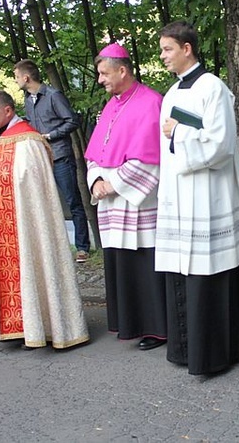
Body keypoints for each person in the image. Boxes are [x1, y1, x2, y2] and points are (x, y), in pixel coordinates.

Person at [156, 20, 239, 375]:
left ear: (187, 48)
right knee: (185, 272)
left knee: (212, 270)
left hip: (207, 193)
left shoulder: (212, 88)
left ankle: (218, 351)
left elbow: (220, 145)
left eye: (168, 49)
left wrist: (178, 135)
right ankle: (187, 349)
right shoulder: (172, 93)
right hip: (180, 194)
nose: (163, 56)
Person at [0, 90, 89, 350]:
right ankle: (0, 329)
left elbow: (30, 179)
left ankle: (31, 327)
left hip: (20, 226)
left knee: (24, 270)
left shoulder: (28, 141)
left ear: (8, 111)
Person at [84, 43, 167, 350]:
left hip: (136, 201)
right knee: (122, 263)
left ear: (122, 70)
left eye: (104, 73)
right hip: (112, 201)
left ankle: (156, 328)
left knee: (144, 263)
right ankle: (130, 324)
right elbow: (95, 154)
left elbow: (151, 158)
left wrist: (113, 183)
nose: (100, 80)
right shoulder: (112, 105)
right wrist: (96, 180)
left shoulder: (150, 103)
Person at [13, 59, 90, 263]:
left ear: (26, 77)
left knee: (73, 201)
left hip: (60, 156)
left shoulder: (54, 95)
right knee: (44, 203)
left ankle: (82, 247)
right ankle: (51, 248)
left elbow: (72, 120)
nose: (15, 81)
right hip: (39, 157)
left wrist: (51, 135)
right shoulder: (28, 100)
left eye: (16, 76)